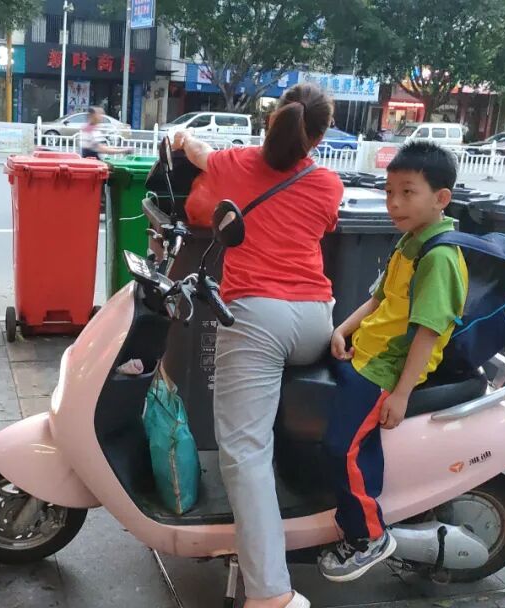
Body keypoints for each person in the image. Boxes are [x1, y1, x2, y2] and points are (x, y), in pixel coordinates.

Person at [172, 83, 343, 608]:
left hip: (256, 319)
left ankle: (270, 593)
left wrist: (181, 140)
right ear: (319, 136)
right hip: (315, 319)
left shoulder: (234, 164)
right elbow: (324, 226)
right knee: (267, 431)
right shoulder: (328, 183)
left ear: (272, 120)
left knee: (246, 452)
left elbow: (199, 153)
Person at [318, 141, 468, 582]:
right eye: (389, 192)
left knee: (341, 447)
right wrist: (342, 329)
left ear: (441, 198)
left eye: (407, 192)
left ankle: (369, 536)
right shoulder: (410, 241)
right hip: (365, 354)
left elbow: (428, 331)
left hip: (385, 370)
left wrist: (400, 394)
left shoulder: (439, 256)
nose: (394, 203)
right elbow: (380, 298)